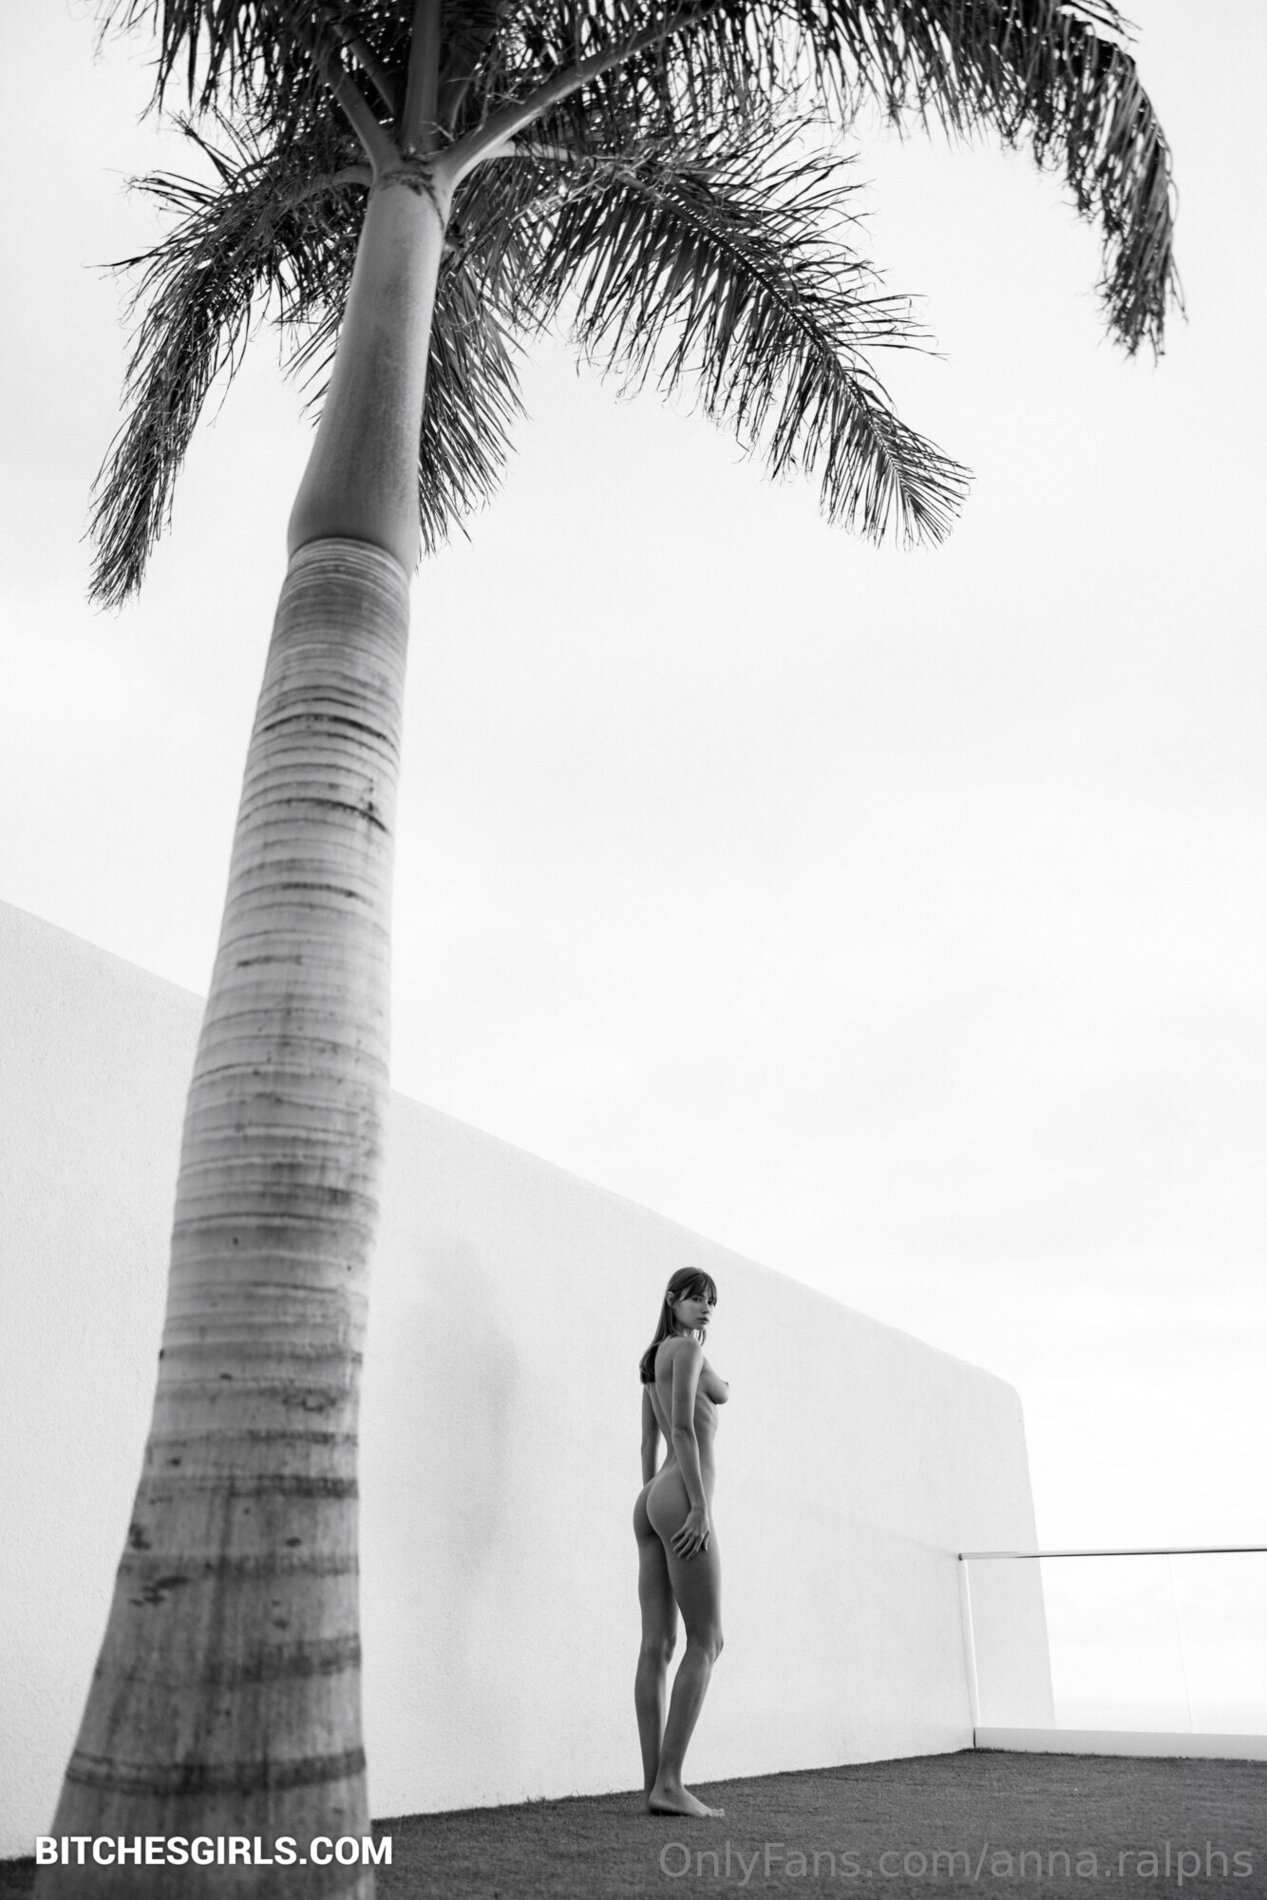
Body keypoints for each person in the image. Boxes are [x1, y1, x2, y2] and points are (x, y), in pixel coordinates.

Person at [634, 1266, 728, 1818]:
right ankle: (669, 1784)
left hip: (651, 1498)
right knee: (707, 1641)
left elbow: (649, 1439)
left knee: (657, 1645)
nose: (705, 1307)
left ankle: (655, 1785)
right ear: (672, 1300)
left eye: (711, 1301)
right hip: (681, 1497)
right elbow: (686, 1431)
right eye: (695, 1298)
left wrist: (652, 1502)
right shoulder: (688, 1351)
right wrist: (696, 1506)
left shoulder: (653, 1360)